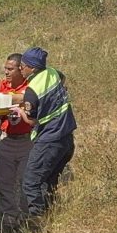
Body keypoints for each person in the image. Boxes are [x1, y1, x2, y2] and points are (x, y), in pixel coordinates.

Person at [12, 47, 77, 221]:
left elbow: (32, 121)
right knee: (50, 180)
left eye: (23, 66)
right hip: (67, 138)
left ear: (32, 68)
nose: (20, 69)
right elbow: (62, 79)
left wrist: (20, 111)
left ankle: (38, 220)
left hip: (49, 140)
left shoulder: (32, 91)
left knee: (30, 182)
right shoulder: (52, 72)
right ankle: (52, 214)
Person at [0, 53, 33, 226]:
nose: (6, 72)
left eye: (10, 69)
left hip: (27, 141)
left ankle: (27, 214)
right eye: (5, 68)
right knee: (5, 180)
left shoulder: (31, 88)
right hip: (7, 139)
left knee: (27, 180)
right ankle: (10, 215)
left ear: (20, 69)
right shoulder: (1, 86)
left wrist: (9, 100)